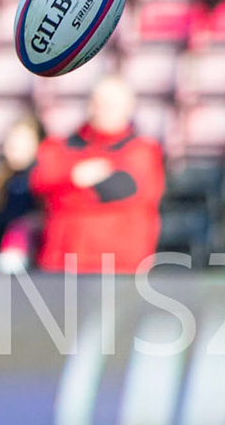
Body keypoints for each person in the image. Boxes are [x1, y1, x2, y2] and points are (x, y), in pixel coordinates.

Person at [29, 75, 163, 275]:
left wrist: (67, 189)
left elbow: (125, 190)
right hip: (61, 265)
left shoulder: (143, 150)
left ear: (128, 108)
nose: (99, 110)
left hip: (120, 269)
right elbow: (40, 182)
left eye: (109, 105)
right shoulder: (58, 147)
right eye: (95, 102)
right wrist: (74, 179)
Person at [0, 114, 43, 272]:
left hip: (35, 263)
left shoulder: (41, 178)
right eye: (11, 139)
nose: (14, 146)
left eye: (22, 140)